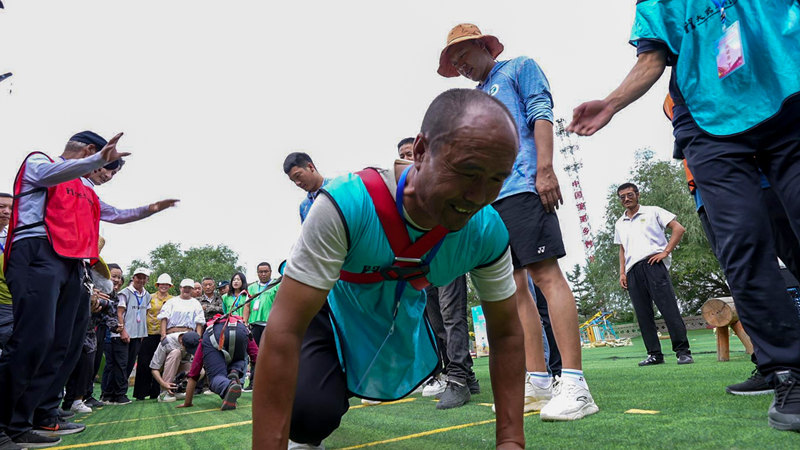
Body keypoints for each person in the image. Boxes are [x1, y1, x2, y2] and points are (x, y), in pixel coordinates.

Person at [567, 1, 800, 431]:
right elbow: (653, 55)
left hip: (787, 93)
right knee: (743, 243)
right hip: (710, 125)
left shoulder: (651, 210)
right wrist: (612, 103)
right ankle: (788, 372)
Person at [253, 89, 526, 449]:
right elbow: (284, 329)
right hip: (330, 311)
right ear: (421, 151)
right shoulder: (347, 203)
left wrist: (511, 442)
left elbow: (506, 334)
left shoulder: (487, 231)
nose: (478, 196)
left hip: (396, 317)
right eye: (467, 171)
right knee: (307, 416)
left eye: (497, 179)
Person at [438, 23, 598, 420]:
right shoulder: (474, 98)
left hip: (526, 184)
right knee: (515, 288)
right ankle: (539, 381)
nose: (461, 68)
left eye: (464, 58)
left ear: (482, 45)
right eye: (454, 65)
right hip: (492, 201)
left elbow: (541, 113)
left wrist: (545, 169)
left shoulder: (518, 68)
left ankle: (576, 385)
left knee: (546, 275)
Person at [0, 130, 176, 448]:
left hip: (70, 262)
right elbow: (61, 172)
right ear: (91, 152)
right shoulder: (40, 162)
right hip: (37, 251)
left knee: (61, 345)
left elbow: (117, 215)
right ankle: (5, 422)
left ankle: (36, 416)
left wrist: (150, 209)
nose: (106, 174)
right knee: (32, 339)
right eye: (106, 167)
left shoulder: (87, 190)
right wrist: (97, 159)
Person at [614, 183, 692, 366]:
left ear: (637, 194)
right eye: (622, 196)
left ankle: (683, 352)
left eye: (630, 194)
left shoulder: (653, 211)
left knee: (668, 309)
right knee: (643, 314)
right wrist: (622, 273)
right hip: (632, 270)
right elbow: (622, 249)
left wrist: (665, 252)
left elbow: (678, 228)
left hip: (653, 264)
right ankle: (655, 355)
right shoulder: (619, 223)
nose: (626, 199)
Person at [179, 313, 258, 411]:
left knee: (216, 377)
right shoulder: (240, 324)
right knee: (239, 359)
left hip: (214, 336)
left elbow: (194, 373)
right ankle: (234, 372)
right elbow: (256, 355)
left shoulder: (205, 338)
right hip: (240, 330)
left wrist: (187, 402)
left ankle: (228, 385)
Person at [104, 267, 152, 406]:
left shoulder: (147, 295)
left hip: (137, 334)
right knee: (121, 364)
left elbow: (144, 314)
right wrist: (123, 331)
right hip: (121, 334)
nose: (141, 280)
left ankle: (111, 395)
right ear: (133, 277)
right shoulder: (125, 293)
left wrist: (143, 333)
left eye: (144, 277)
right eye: (138, 277)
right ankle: (118, 395)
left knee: (129, 364)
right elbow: (119, 313)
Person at [134, 273, 173, 401]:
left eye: (166, 284)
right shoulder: (149, 297)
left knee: (160, 363)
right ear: (157, 285)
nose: (164, 286)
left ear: (170, 286)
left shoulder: (173, 299)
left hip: (164, 335)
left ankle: (156, 392)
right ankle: (140, 393)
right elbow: (142, 313)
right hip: (148, 334)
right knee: (144, 363)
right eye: (161, 284)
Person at [245, 262, 276, 392]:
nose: (263, 274)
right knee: (254, 355)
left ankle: (272, 383)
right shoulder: (251, 288)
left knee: (272, 355)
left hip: (272, 326)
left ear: (271, 272)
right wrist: (245, 322)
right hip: (255, 326)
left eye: (266, 271)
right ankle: (253, 383)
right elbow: (247, 305)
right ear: (257, 273)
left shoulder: (277, 285)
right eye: (261, 271)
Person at [149, 331, 200, 403]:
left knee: (201, 371)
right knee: (176, 353)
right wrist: (164, 384)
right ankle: (164, 393)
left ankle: (178, 390)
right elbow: (154, 369)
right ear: (181, 343)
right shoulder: (167, 342)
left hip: (181, 366)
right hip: (166, 369)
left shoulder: (192, 338)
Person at [283, 152, 329, 223]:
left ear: (310, 167)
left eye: (298, 176)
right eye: (293, 180)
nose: (297, 183)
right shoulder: (304, 207)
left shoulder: (337, 187)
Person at [0, 193, 12, 357]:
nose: (6, 211)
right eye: (1, 206)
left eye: (11, 208)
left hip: (8, 304)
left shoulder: (14, 238)